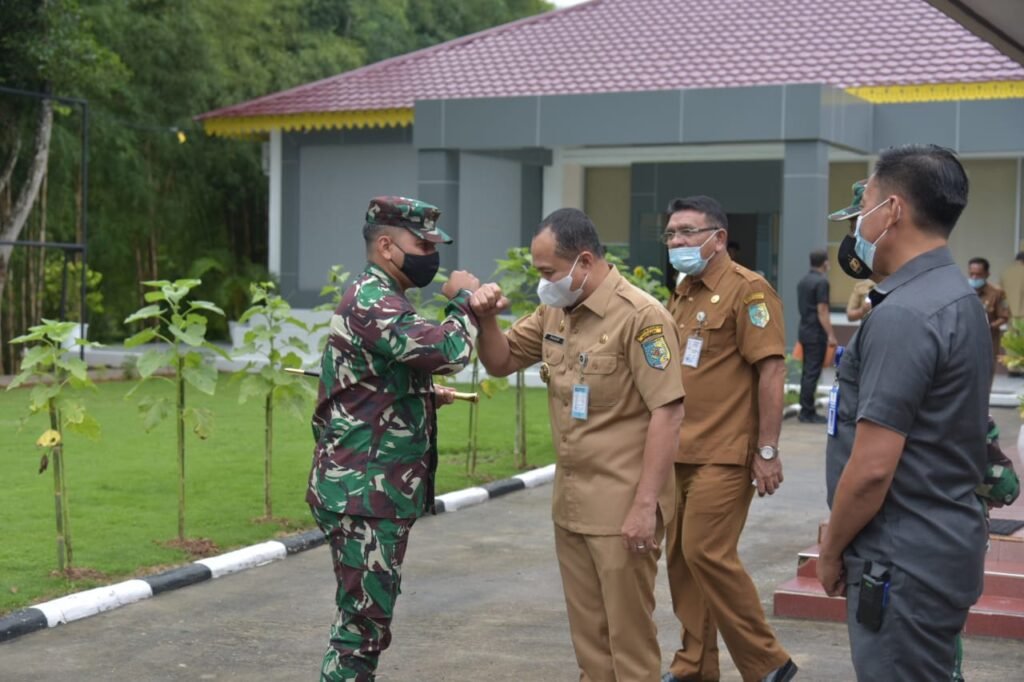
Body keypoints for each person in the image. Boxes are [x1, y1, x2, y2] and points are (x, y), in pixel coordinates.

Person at [471, 208, 685, 681]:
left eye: (548, 272)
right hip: (572, 505)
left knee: (628, 642)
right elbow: (502, 360)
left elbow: (668, 413)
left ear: (583, 261)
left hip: (624, 505)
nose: (543, 281)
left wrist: (645, 507)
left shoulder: (642, 317)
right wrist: (485, 319)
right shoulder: (556, 311)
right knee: (589, 641)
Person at [817, 145, 990, 680]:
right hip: (936, 547)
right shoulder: (955, 297)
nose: (858, 222)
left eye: (864, 203)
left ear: (891, 210)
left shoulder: (907, 314)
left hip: (901, 558)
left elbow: (871, 470)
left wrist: (831, 549)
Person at [307, 196, 480, 681]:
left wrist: (421, 395)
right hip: (363, 492)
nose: (431, 253)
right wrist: (461, 299)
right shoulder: (374, 299)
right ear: (386, 245)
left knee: (365, 622)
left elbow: (371, 381)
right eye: (421, 243)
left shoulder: (380, 295)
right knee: (361, 629)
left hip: (367, 488)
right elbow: (447, 351)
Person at [660, 195, 797, 682]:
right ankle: (695, 667)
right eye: (672, 233)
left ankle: (768, 664)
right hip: (678, 450)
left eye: (687, 232)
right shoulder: (683, 291)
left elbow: (772, 372)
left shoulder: (750, 291)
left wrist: (767, 450)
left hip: (725, 452)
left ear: (718, 238)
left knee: (706, 552)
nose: (677, 241)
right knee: (680, 561)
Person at [796, 250, 837, 423]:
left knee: (807, 372)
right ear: (825, 263)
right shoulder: (822, 283)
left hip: (804, 329)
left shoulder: (803, 281)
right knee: (812, 373)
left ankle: (805, 409)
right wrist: (831, 334)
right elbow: (822, 310)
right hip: (816, 332)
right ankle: (807, 412)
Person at [968, 256, 1009, 369]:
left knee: (985, 375)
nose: (974, 277)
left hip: (988, 343)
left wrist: (990, 326)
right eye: (971, 274)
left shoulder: (997, 293)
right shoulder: (963, 291)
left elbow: (1004, 317)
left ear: (987, 274)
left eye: (978, 274)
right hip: (966, 344)